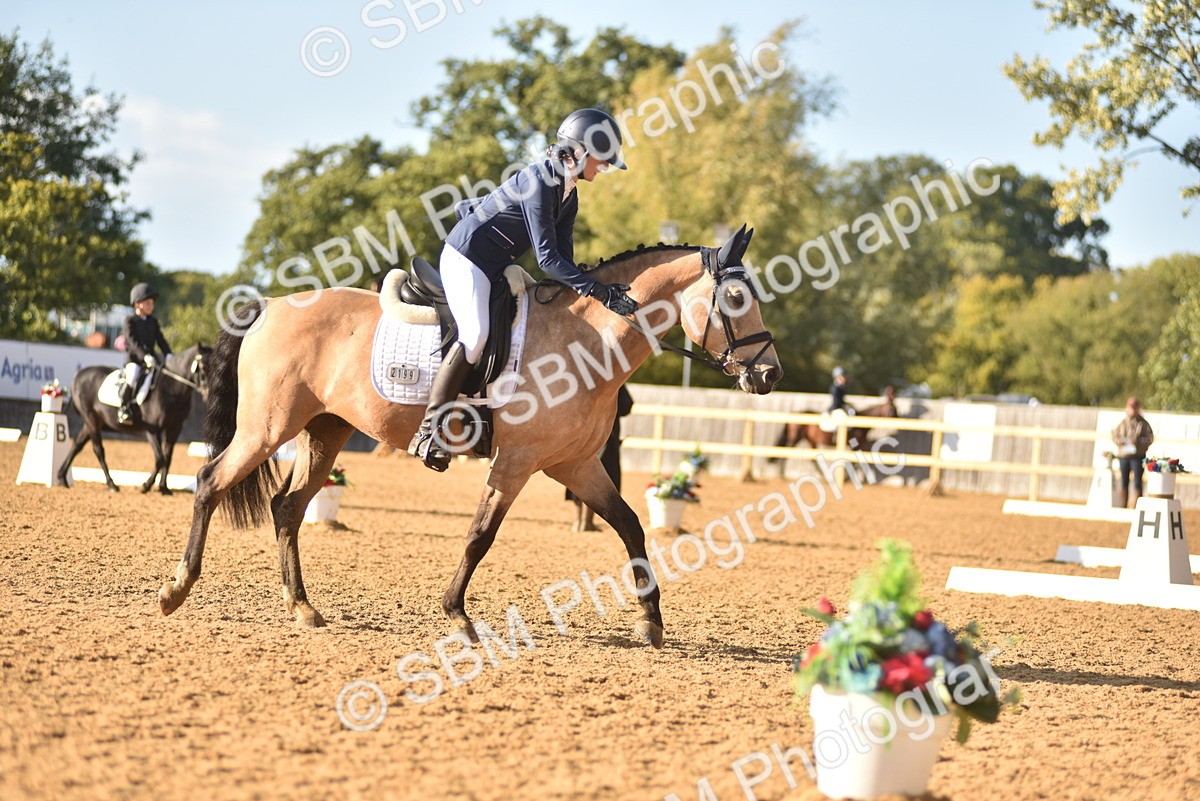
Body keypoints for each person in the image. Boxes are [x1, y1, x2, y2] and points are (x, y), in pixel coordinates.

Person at [407, 108, 638, 472]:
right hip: (467, 258)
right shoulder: (541, 183)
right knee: (476, 333)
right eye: (601, 161)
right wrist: (598, 291)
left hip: (495, 265)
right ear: (577, 152)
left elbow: (565, 258)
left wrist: (595, 286)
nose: (603, 169)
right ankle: (429, 429)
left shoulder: (568, 193)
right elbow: (547, 260)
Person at [567, 385, 634, 531]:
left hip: (581, 433)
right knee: (597, 477)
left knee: (574, 473)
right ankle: (587, 522)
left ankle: (577, 522)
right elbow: (626, 406)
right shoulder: (616, 380)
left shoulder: (586, 378)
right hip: (604, 435)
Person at [119, 283, 172, 425]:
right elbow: (133, 343)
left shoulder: (153, 322)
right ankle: (124, 408)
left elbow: (161, 340)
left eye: (152, 303)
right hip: (134, 360)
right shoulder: (130, 321)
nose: (151, 306)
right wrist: (145, 356)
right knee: (132, 377)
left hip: (152, 361)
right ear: (137, 304)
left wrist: (169, 354)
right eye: (148, 303)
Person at [1111, 396, 1154, 508]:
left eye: (1135, 407)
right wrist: (1123, 441)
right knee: (1124, 481)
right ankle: (1123, 506)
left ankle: (1137, 507)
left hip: (1138, 456)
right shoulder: (1123, 423)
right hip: (1124, 456)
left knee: (1137, 482)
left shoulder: (1143, 424)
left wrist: (1138, 443)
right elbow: (1115, 436)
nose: (1132, 410)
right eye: (1131, 407)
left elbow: (1150, 438)